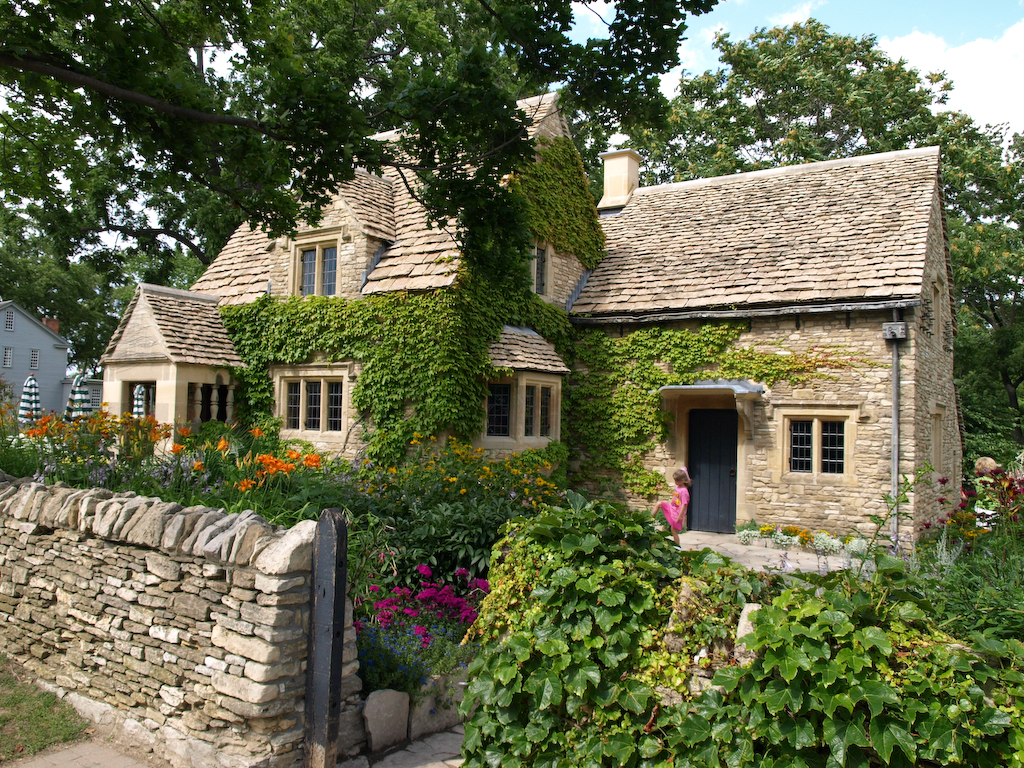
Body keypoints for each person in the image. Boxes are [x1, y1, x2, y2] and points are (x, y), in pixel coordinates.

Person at [657, 467, 691, 547]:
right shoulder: (678, 487)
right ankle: (649, 519)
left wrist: (679, 516)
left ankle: (677, 547)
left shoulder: (684, 491)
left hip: (677, 513)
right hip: (672, 508)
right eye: (675, 480)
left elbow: (684, 504)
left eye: (677, 480)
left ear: (683, 480)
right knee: (659, 504)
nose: (675, 482)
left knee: (674, 531)